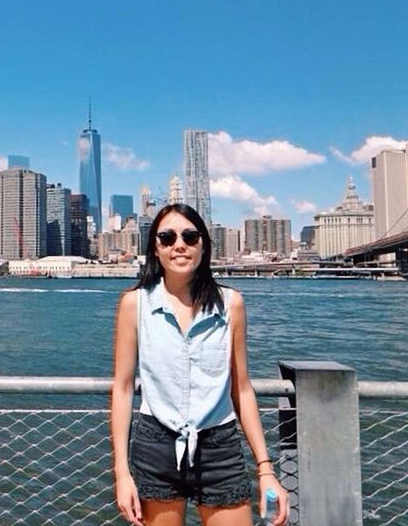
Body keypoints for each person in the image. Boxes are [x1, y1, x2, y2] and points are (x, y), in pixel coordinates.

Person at [111, 203, 289, 526]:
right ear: (156, 248)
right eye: (167, 237)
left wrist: (266, 470)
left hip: (219, 446)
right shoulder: (133, 305)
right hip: (156, 445)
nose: (179, 244)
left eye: (189, 236)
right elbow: (122, 390)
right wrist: (122, 474)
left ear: (203, 245)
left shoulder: (230, 305)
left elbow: (242, 389)